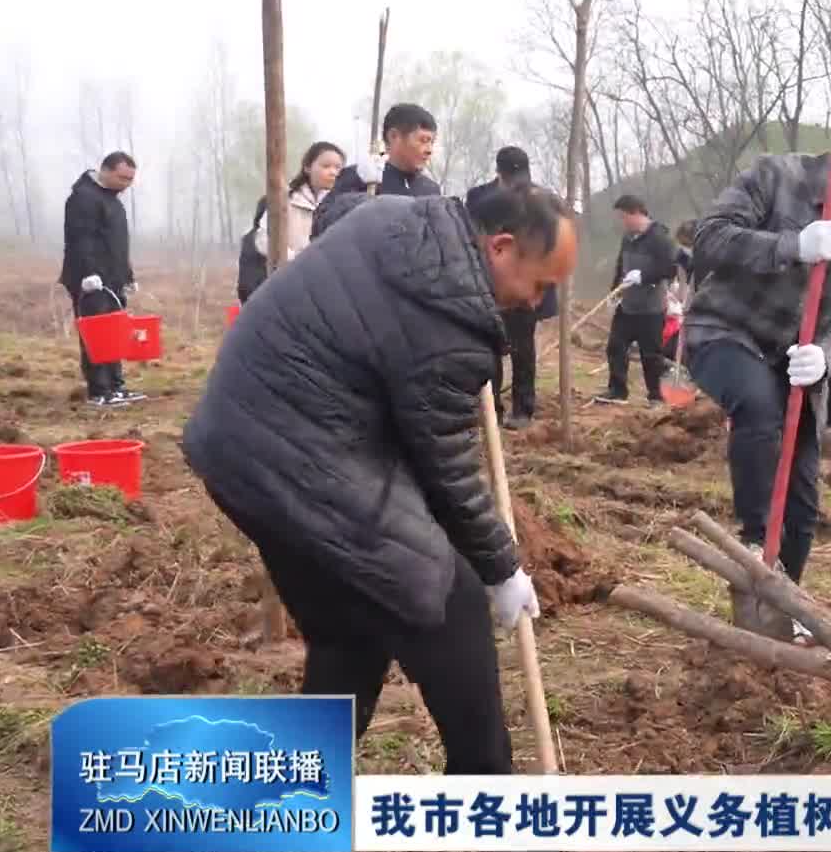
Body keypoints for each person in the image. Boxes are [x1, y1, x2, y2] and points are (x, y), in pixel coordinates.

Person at [183, 183, 578, 773]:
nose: (537, 305)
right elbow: (445, 468)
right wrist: (500, 568)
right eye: (540, 284)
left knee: (349, 626)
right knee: (450, 598)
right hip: (297, 450)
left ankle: (297, 776)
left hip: (236, 442)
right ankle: (487, 795)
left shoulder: (401, 221)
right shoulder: (449, 324)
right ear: (499, 247)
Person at [684, 110, 831, 588]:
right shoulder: (777, 176)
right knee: (757, 406)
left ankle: (777, 602)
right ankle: (755, 543)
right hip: (727, 331)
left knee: (803, 501)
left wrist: (828, 355)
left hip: (798, 364)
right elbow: (709, 237)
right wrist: (790, 245)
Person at [467, 147, 556, 429]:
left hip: (525, 286)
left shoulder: (541, 200)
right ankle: (490, 407)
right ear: (500, 174)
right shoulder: (479, 198)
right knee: (488, 348)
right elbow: (471, 237)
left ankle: (523, 410)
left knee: (522, 350)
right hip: (488, 284)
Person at [61, 152, 142, 408]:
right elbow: (80, 239)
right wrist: (88, 273)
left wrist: (127, 276)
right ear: (105, 171)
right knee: (96, 334)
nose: (126, 184)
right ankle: (99, 390)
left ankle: (116, 386)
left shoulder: (112, 200)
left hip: (112, 280)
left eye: (130, 179)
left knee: (114, 333)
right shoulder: (83, 198)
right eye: (122, 177)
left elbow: (117, 244)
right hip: (90, 281)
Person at [240, 141, 346, 303]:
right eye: (326, 166)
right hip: (284, 282)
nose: (333, 172)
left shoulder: (342, 204)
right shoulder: (283, 200)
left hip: (323, 287)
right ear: (308, 167)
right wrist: (293, 259)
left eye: (338, 168)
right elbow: (263, 239)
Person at [598, 195, 680, 405]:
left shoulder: (660, 238)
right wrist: (614, 292)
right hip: (627, 307)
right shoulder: (628, 238)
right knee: (615, 347)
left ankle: (656, 397)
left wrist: (643, 276)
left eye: (624, 217)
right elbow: (620, 265)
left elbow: (669, 268)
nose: (623, 222)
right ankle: (617, 391)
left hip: (651, 309)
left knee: (650, 355)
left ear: (636, 213)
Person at [316, 103, 441, 235]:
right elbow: (320, 228)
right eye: (423, 140)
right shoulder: (359, 177)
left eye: (431, 142)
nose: (429, 150)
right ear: (394, 136)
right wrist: (357, 187)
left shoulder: (431, 191)